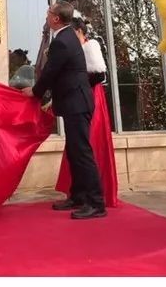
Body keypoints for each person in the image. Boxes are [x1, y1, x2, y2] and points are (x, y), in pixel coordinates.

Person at [23, 1, 106, 219]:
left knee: (82, 153)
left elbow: (50, 71)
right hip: (74, 102)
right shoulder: (67, 37)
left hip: (77, 103)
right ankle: (78, 196)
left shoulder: (62, 41)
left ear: (56, 18)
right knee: (74, 152)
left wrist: (36, 92)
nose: (46, 16)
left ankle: (96, 203)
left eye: (48, 12)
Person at [53, 17, 118, 209]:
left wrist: (77, 83)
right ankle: (78, 194)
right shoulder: (72, 49)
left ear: (80, 32)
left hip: (89, 98)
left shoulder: (90, 46)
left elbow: (99, 75)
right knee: (74, 149)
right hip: (77, 97)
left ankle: (93, 199)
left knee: (84, 148)